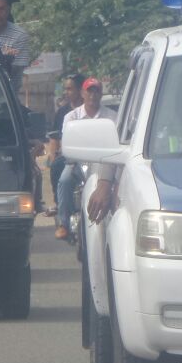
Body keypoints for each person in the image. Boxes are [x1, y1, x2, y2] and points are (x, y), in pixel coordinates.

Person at [55, 77, 116, 241]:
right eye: (89, 91)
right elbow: (66, 142)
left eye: (96, 91)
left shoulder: (111, 117)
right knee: (64, 180)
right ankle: (64, 222)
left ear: (101, 94)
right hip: (77, 161)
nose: (93, 95)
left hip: (103, 163)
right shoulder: (71, 117)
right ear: (82, 93)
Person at [45, 73, 86, 216]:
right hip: (69, 156)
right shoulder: (63, 112)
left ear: (81, 90)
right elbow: (54, 138)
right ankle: (59, 205)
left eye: (70, 89)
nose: (66, 92)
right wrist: (53, 155)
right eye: (66, 89)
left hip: (92, 157)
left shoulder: (93, 109)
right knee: (56, 166)